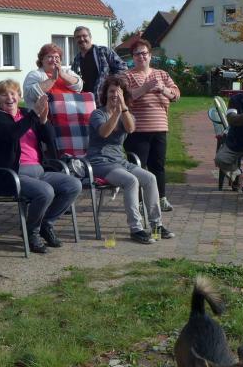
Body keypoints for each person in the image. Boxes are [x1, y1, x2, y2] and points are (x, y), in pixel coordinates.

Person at [0, 80, 81, 254]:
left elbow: (50, 139)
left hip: (39, 171)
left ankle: (46, 223)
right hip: (11, 175)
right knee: (45, 192)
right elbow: (12, 134)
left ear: (19, 96)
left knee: (73, 185)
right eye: (4, 94)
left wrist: (43, 120)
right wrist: (34, 114)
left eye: (13, 93)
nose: (9, 98)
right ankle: (31, 231)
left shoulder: (25, 114)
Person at [86, 74, 174, 244]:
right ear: (105, 94)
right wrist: (116, 112)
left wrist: (123, 109)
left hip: (120, 161)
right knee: (131, 181)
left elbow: (130, 128)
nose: (115, 95)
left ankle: (156, 225)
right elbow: (104, 133)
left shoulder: (127, 114)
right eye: (112, 91)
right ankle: (136, 229)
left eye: (118, 92)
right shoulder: (98, 114)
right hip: (99, 162)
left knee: (150, 178)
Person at [122, 38, 180, 212]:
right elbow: (127, 98)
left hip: (160, 128)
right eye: (137, 54)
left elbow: (176, 95)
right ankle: (139, 202)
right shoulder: (127, 76)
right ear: (133, 57)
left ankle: (160, 199)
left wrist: (163, 89)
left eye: (144, 53)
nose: (141, 57)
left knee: (158, 166)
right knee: (138, 167)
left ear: (150, 55)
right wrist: (146, 87)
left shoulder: (162, 74)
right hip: (137, 130)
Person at [70, 25, 127, 95]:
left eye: (84, 36)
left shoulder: (103, 51)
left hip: (104, 98)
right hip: (85, 99)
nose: (81, 39)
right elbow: (73, 79)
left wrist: (110, 84)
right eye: (78, 37)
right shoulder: (76, 60)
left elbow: (122, 68)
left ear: (90, 37)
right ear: (75, 40)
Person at [22, 43, 83, 108]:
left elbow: (79, 86)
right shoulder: (34, 74)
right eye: (50, 57)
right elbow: (30, 95)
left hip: (72, 110)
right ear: (42, 59)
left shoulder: (67, 72)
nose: (54, 60)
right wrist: (52, 79)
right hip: (48, 113)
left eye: (57, 57)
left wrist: (62, 74)